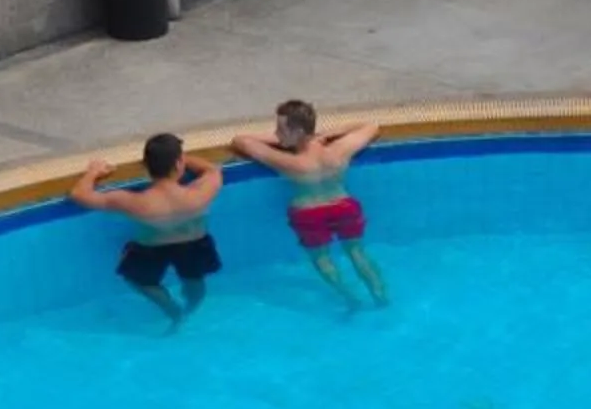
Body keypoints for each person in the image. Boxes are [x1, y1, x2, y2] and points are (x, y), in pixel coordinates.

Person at [231, 100, 388, 310]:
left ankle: (350, 298)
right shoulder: (338, 151)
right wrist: (325, 134)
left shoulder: (287, 161)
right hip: (344, 206)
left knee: (322, 259)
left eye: (281, 129)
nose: (277, 134)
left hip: (309, 214)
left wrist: (282, 142)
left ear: (298, 131)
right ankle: (380, 296)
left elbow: (241, 141)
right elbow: (372, 126)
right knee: (357, 253)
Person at [67, 133, 222, 328]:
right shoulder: (200, 193)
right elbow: (211, 169)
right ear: (178, 164)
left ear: (146, 166)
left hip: (151, 248)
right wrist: (178, 157)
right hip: (194, 245)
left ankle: (172, 310)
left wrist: (93, 172)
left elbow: (79, 195)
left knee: (139, 280)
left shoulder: (133, 202)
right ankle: (192, 306)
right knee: (194, 278)